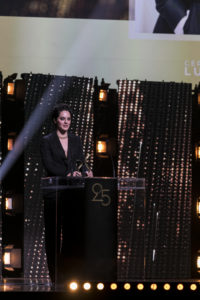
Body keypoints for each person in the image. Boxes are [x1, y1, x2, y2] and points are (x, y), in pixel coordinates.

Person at [40, 103, 93, 286]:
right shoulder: (47, 140)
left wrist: (86, 171)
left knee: (72, 235)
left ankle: (70, 276)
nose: (66, 122)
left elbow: (80, 161)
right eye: (62, 118)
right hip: (53, 194)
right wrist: (67, 174)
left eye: (68, 119)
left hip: (72, 194)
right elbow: (50, 166)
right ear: (55, 120)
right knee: (53, 236)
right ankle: (56, 278)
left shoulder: (76, 140)